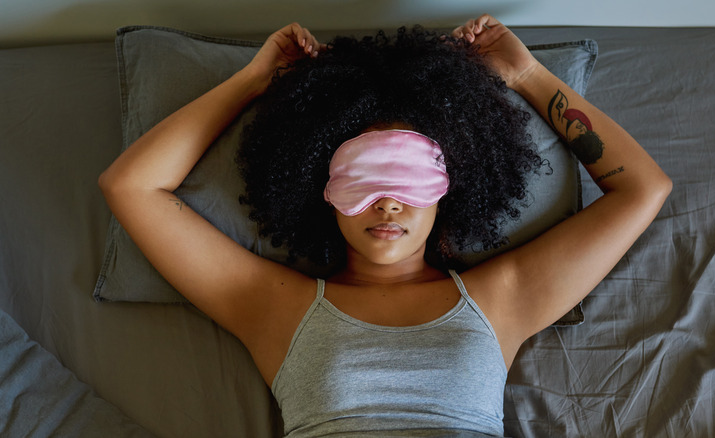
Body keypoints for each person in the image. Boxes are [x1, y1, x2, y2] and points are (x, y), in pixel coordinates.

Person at [99, 14, 672, 437]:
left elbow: (643, 188)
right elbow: (131, 187)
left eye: (411, 179)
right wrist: (256, 82)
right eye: (365, 179)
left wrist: (527, 75)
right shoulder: (272, 307)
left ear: (451, 191)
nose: (389, 204)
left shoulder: (503, 297)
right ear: (320, 192)